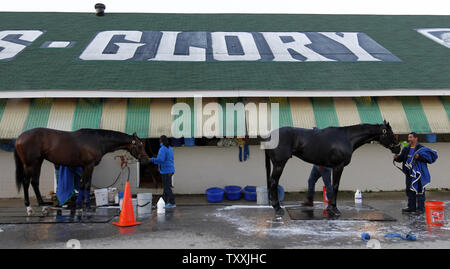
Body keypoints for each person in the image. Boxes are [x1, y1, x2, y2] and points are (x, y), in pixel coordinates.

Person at [394, 132, 438, 214]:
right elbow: (401, 159)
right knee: (409, 190)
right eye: (408, 137)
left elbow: (428, 160)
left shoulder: (421, 148)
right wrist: (396, 158)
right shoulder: (406, 148)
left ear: (416, 138)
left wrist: (419, 157)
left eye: (411, 137)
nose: (409, 139)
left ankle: (420, 209)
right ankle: (411, 207)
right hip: (408, 173)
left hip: (418, 173)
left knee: (420, 190)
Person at [144, 135, 176, 208]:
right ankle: (163, 202)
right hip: (170, 170)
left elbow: (161, 160)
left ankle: (172, 202)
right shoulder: (170, 148)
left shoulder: (162, 149)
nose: (159, 142)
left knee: (167, 187)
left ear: (161, 141)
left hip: (165, 171)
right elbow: (168, 159)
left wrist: (151, 159)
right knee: (166, 188)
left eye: (159, 140)